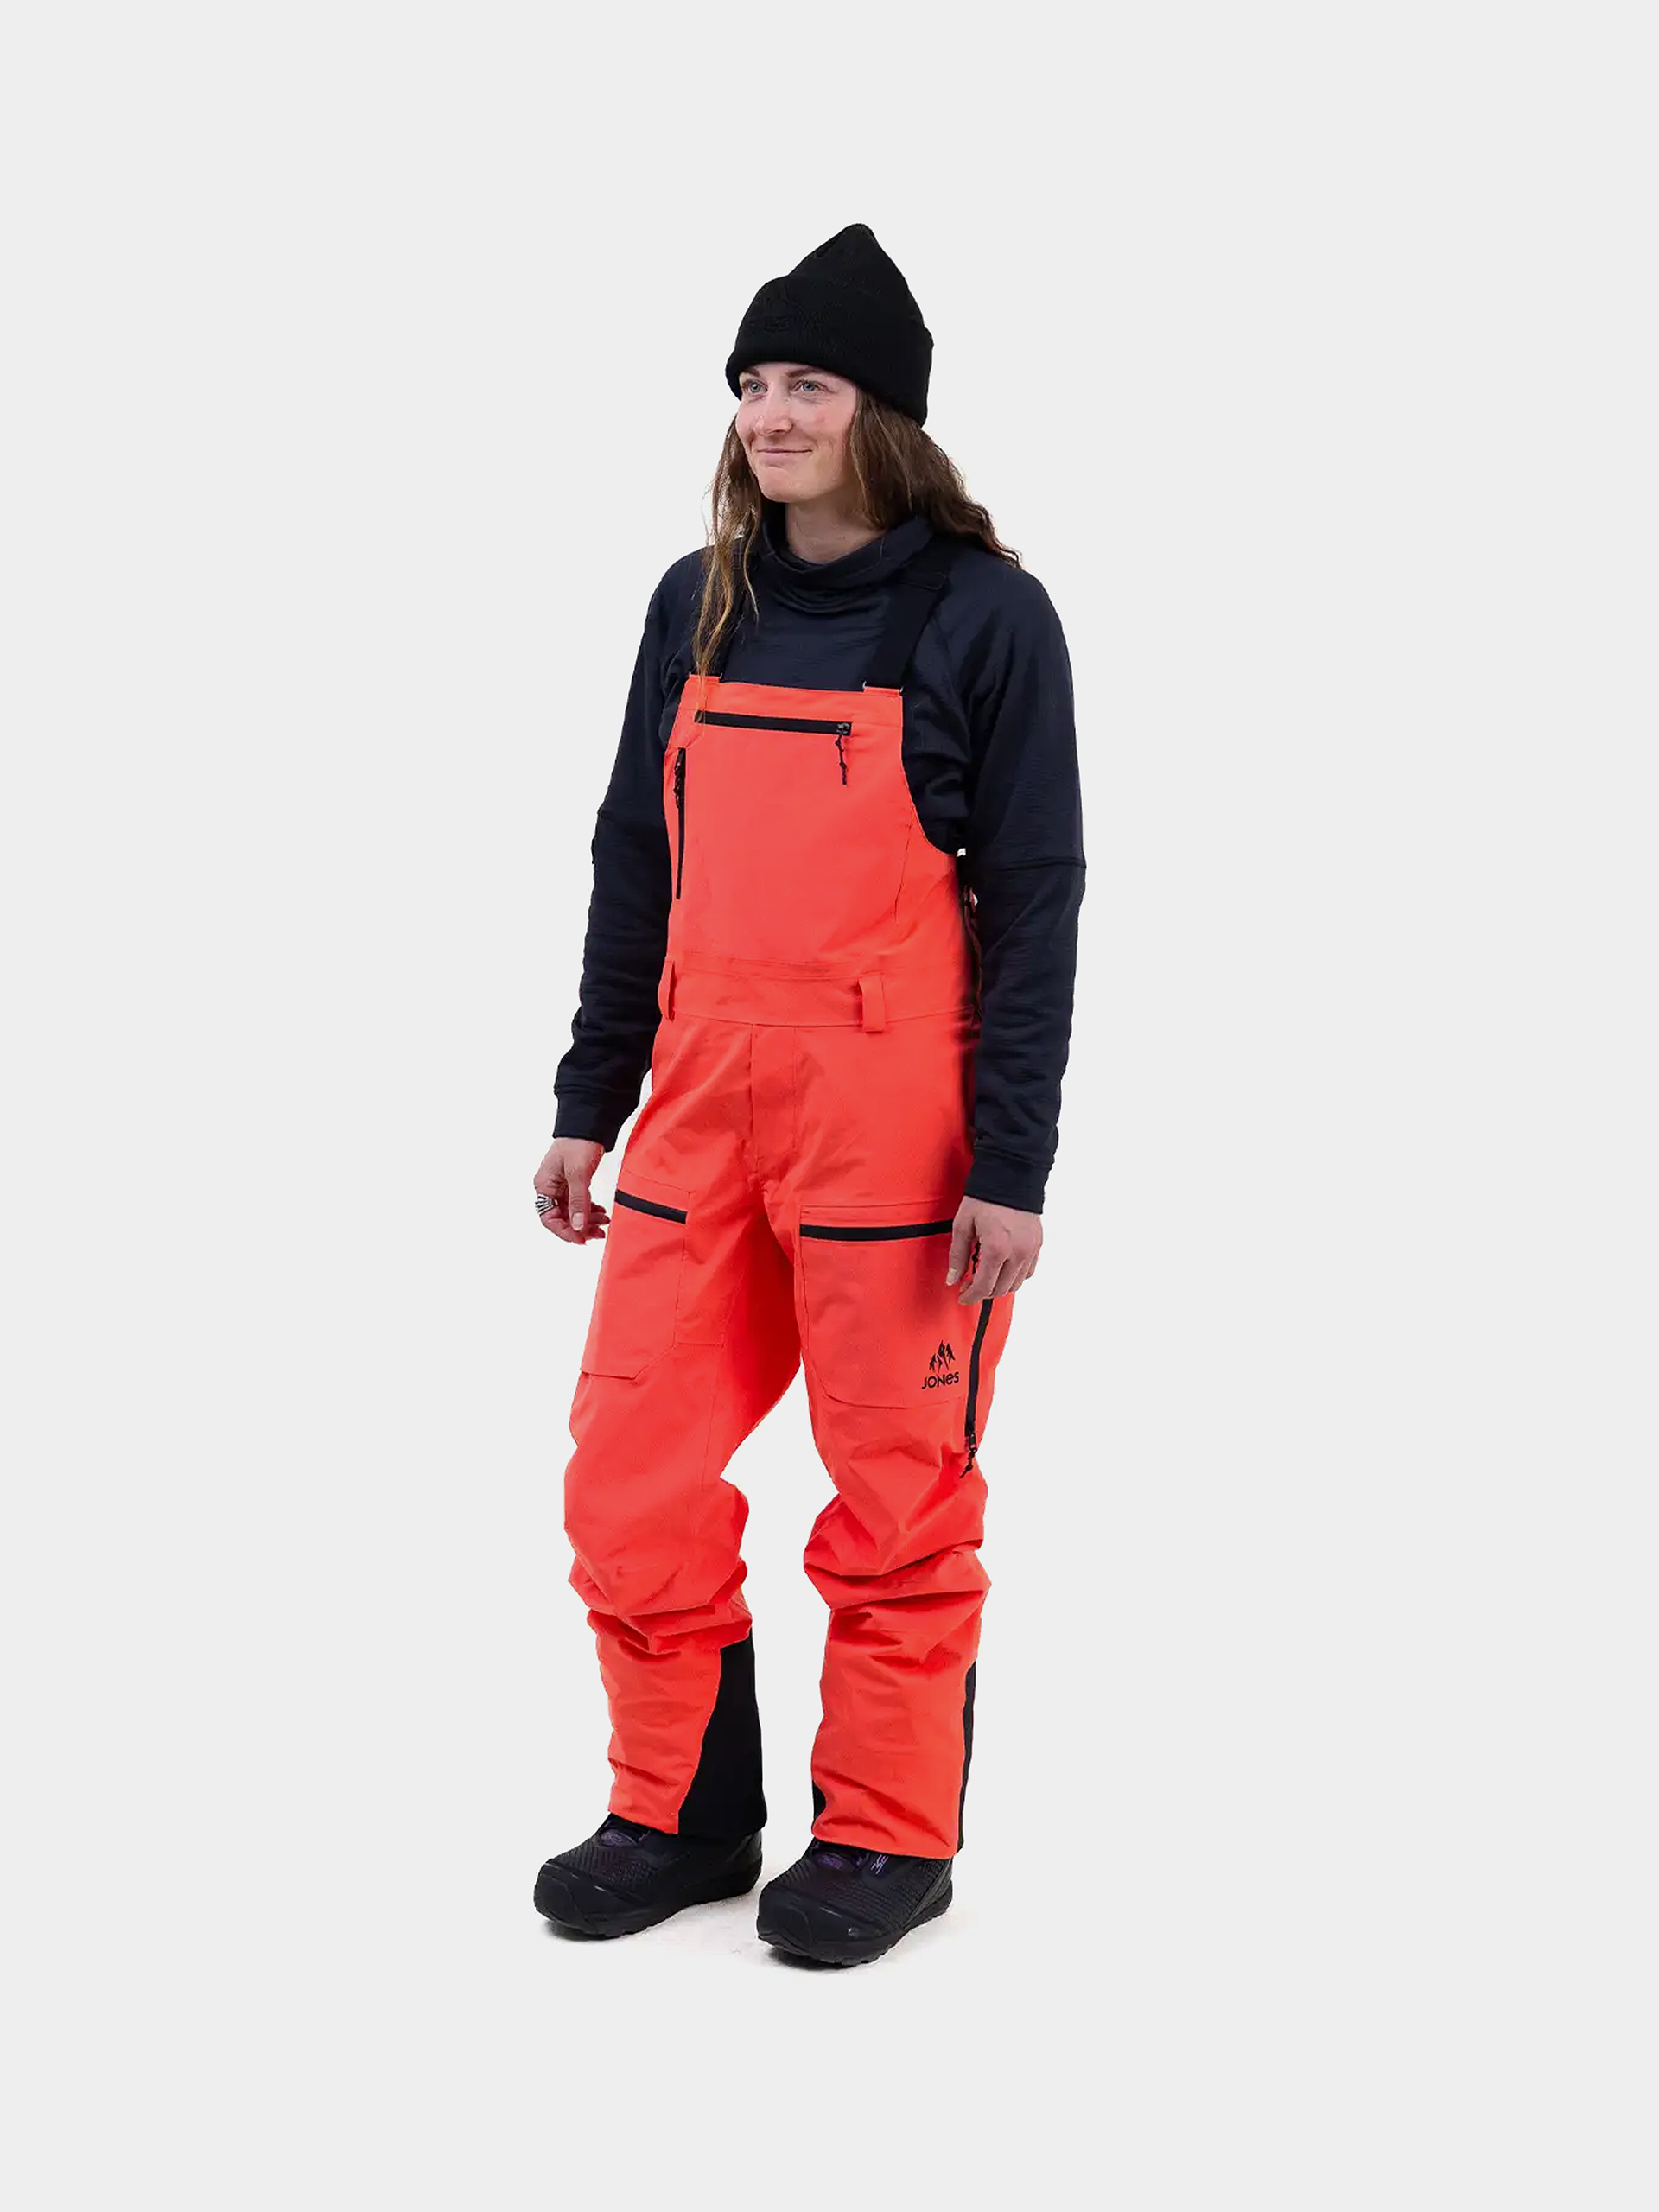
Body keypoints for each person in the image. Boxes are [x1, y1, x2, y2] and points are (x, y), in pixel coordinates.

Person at [531, 223, 1085, 1965]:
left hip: (895, 1126)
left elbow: (1038, 896)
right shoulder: (696, 603)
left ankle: (887, 1836)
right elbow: (636, 858)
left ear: (883, 413)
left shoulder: (987, 616)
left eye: (811, 384)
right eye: (753, 383)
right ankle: (683, 1810)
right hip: (699, 1104)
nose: (771, 414)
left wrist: (1013, 1161)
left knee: (898, 1493)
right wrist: (589, 1096)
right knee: (626, 1474)